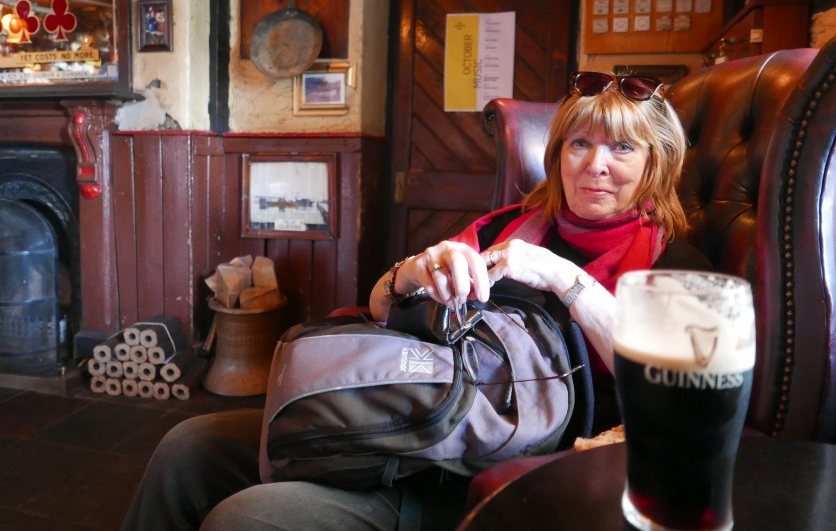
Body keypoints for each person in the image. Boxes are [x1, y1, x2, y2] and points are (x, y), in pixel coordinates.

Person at [121, 71, 711, 531]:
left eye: (622, 149)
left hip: (486, 473)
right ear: (557, 153)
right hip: (398, 413)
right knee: (188, 445)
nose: (595, 166)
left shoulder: (675, 263)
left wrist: (560, 276)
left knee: (243, 520)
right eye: (579, 143)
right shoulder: (504, 226)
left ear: (657, 163)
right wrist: (409, 272)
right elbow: (378, 308)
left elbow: (667, 395)